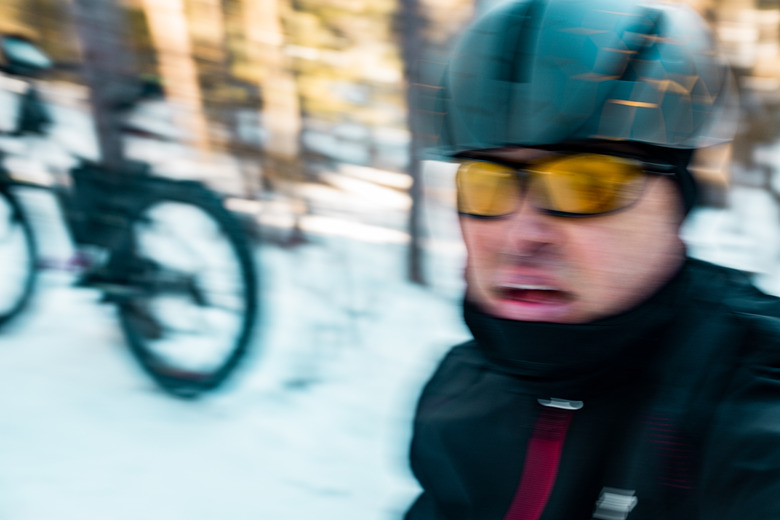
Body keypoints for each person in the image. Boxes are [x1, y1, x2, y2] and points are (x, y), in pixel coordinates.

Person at [404, 1, 780, 519]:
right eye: (486, 184)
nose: (522, 234)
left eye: (587, 184)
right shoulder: (460, 391)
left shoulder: (751, 406)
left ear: (680, 202)